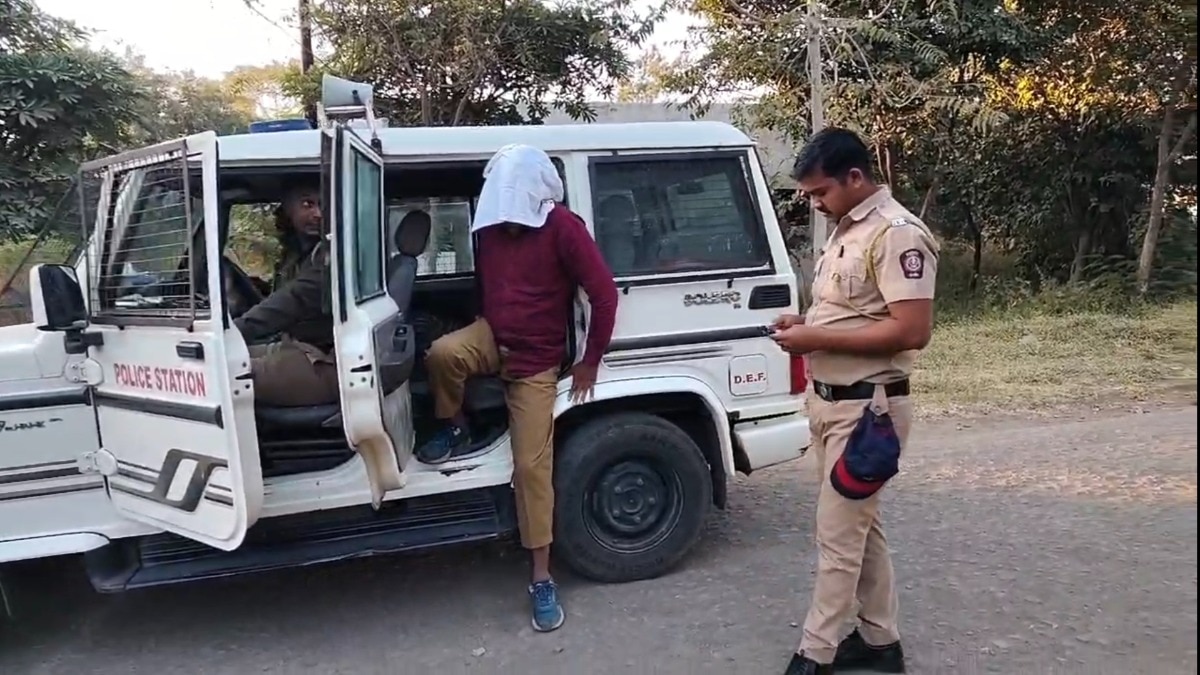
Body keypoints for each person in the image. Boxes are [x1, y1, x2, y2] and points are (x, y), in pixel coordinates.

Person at [417, 144, 619, 632]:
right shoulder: (487, 229)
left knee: (530, 466)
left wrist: (589, 362)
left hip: (536, 361)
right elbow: (488, 288)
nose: (506, 221)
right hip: (494, 336)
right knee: (442, 353)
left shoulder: (563, 227)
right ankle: (456, 427)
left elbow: (604, 294)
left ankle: (541, 576)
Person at [773, 128, 939, 675]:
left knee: (837, 536)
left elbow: (912, 330)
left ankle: (814, 655)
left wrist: (817, 339)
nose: (815, 204)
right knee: (859, 527)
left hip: (869, 411)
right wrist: (805, 324)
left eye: (820, 193)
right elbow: (856, 313)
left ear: (855, 177)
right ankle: (880, 643)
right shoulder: (847, 232)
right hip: (830, 405)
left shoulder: (896, 234)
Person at [234, 181, 340, 407]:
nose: (318, 214)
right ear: (288, 209)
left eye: (324, 205)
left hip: (326, 360)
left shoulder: (333, 256)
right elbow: (284, 294)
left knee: (219, 377)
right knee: (216, 360)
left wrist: (237, 329)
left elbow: (295, 298)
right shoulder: (300, 252)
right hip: (298, 345)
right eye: (307, 204)